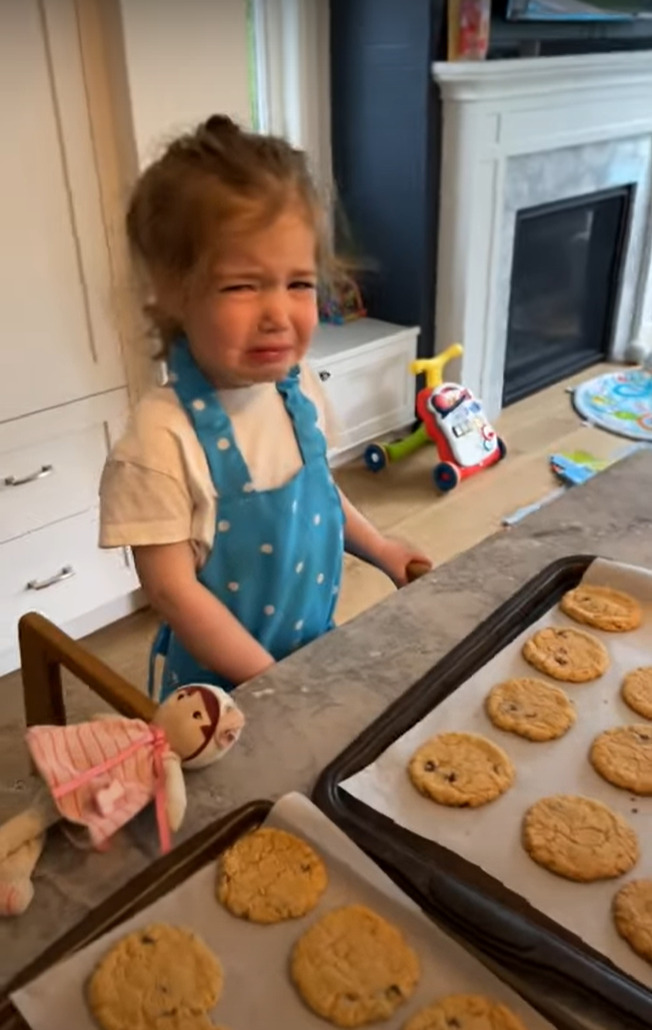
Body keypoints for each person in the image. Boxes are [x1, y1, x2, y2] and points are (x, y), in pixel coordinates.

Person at [99, 115, 431, 700]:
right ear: (173, 292)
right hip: (222, 698)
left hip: (310, 659)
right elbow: (174, 592)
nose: (278, 312)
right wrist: (272, 683)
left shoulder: (296, 387)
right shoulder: (160, 441)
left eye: (298, 283)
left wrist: (381, 548)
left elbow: (320, 496)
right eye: (241, 286)